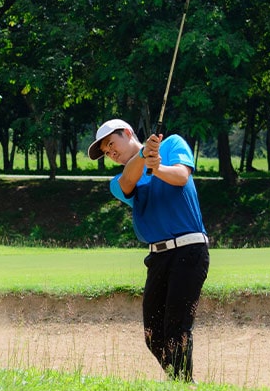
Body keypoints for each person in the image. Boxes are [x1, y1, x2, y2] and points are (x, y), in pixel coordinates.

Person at [87, 118, 210, 383]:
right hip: (158, 257)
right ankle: (183, 384)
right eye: (107, 153)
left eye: (112, 144)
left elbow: (181, 177)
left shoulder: (172, 144)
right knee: (153, 333)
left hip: (189, 249)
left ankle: (182, 385)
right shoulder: (118, 180)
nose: (111, 153)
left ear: (128, 133)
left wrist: (158, 166)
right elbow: (129, 181)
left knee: (176, 326)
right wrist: (144, 157)